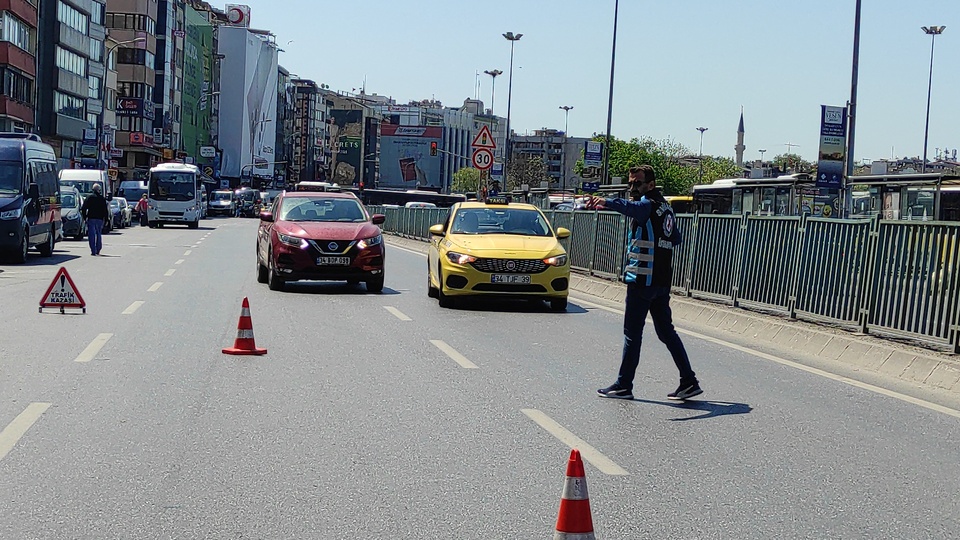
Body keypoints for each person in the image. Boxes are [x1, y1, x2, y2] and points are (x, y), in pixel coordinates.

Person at [587, 165, 702, 401]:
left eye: (636, 183)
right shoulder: (666, 208)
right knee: (666, 332)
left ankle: (623, 385)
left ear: (650, 185)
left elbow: (632, 208)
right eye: (630, 183)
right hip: (661, 282)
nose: (632, 188)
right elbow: (675, 238)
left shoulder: (647, 205)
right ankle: (689, 381)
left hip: (642, 280)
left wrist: (606, 202)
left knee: (632, 333)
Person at [80, 183, 109, 256]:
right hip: (99, 219)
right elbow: (105, 210)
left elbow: (84, 208)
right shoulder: (102, 198)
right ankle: (98, 249)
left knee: (91, 234)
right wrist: (106, 219)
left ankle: (93, 250)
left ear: (93, 189)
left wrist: (84, 216)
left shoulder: (89, 197)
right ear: (99, 190)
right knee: (98, 233)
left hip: (91, 218)